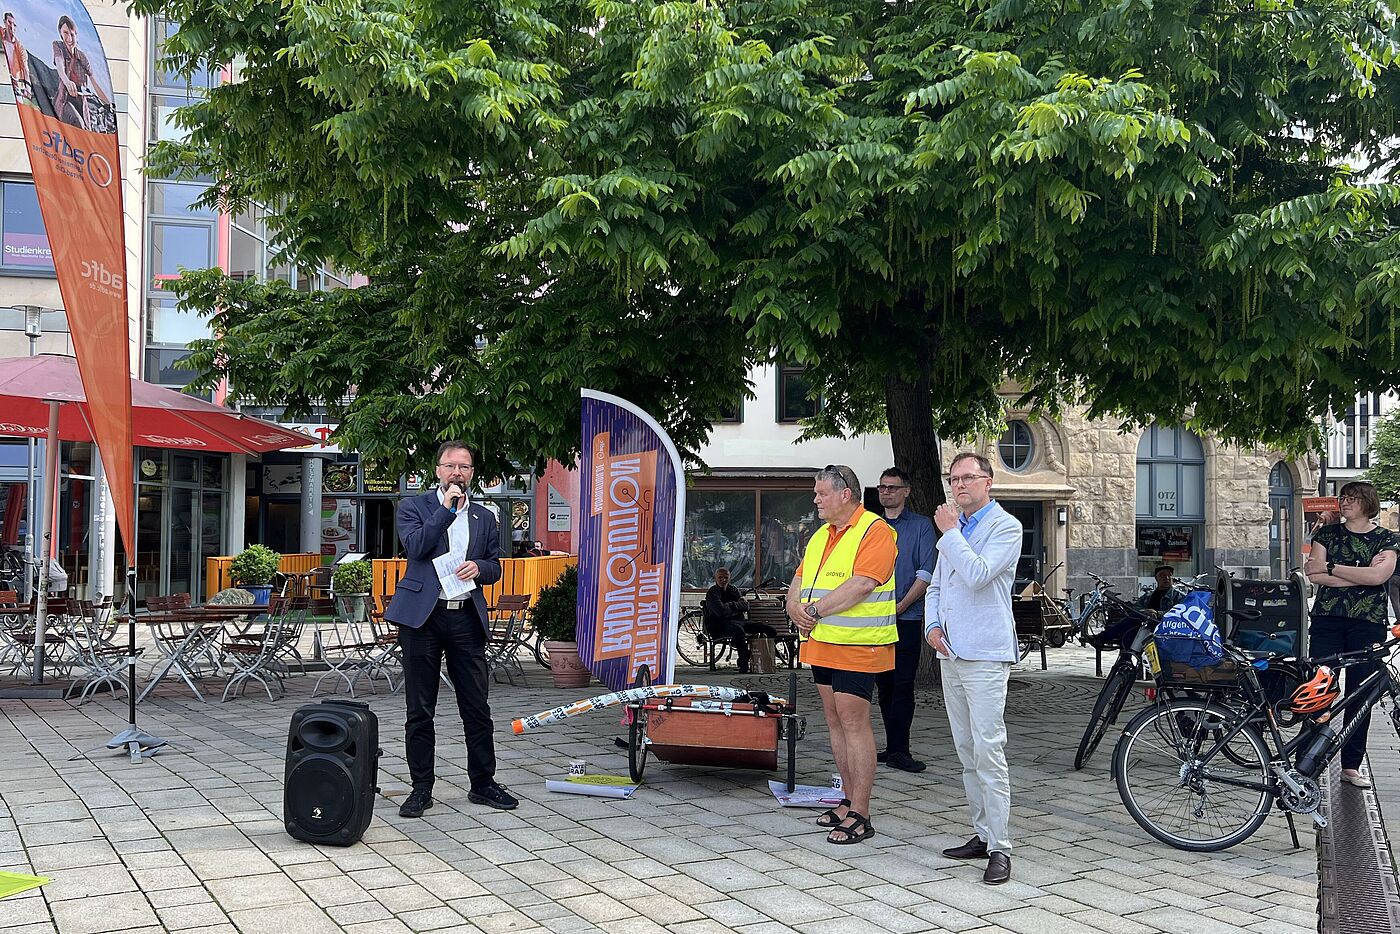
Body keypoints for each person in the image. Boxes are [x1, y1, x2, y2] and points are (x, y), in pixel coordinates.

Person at [385, 441, 518, 816]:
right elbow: (416, 547)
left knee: (476, 706)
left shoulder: (484, 517)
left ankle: (483, 784)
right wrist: (446, 510)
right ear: (438, 471)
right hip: (423, 618)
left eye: (464, 467)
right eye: (450, 466)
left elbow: (495, 565)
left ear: (472, 472)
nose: (457, 472)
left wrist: (480, 569)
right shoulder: (414, 507)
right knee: (420, 709)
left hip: (465, 617)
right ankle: (421, 789)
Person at [925, 452, 1023, 885]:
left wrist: (948, 533)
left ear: (988, 482)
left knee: (989, 749)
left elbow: (979, 574)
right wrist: (930, 626)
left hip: (985, 652)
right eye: (954, 479)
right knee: (966, 751)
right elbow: (938, 585)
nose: (959, 485)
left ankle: (1001, 846)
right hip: (952, 652)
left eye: (968, 477)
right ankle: (981, 833)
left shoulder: (1006, 527)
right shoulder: (955, 530)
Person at [786, 465, 897, 845]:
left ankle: (862, 814)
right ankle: (847, 801)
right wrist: (793, 605)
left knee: (853, 724)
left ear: (846, 493)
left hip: (857, 645)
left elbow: (863, 584)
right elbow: (799, 578)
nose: (815, 500)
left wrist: (812, 612)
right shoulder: (821, 535)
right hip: (822, 642)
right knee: (834, 722)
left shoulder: (876, 531)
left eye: (821, 493)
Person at [1303, 480, 1398, 789]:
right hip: (1327, 619)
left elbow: (1379, 576)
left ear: (1367, 503)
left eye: (1353, 498)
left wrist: (1332, 568)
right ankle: (1307, 761)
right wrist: (1358, 572)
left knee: (1361, 694)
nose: (1345, 503)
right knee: (1318, 690)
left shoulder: (1386, 538)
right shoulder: (1327, 533)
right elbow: (1312, 573)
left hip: (1367, 623)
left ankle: (1351, 765)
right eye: (1343, 498)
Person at [873, 466, 934, 773]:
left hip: (906, 617)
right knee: (883, 686)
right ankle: (892, 746)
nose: (886, 492)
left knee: (903, 685)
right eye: (883, 487)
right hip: (874, 620)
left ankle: (901, 749)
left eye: (893, 487)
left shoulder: (921, 526)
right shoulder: (870, 526)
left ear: (906, 491)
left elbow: (925, 573)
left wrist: (901, 606)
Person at [703, 567, 776, 673]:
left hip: (740, 621)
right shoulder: (712, 593)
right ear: (715, 578)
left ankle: (766, 658)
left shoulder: (733, 590)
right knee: (738, 631)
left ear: (729, 578)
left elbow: (745, 605)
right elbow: (720, 612)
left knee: (768, 629)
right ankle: (744, 661)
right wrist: (736, 607)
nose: (723, 580)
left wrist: (731, 605)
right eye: (720, 577)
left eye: (725, 577)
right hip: (720, 624)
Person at [52, 15, 108, 129]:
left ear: (76, 35)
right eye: (65, 33)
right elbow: (59, 64)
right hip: (65, 100)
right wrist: (67, 81)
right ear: (60, 33)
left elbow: (94, 82)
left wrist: (108, 103)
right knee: (78, 124)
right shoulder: (58, 46)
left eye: (72, 34)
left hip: (81, 103)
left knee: (86, 130)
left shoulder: (82, 57)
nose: (69, 38)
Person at [2, 12, 27, 87]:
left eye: (14, 25)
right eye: (9, 22)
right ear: (4, 22)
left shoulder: (20, 48)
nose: (12, 27)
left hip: (14, 84)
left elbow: (25, 68)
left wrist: (28, 87)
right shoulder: (2, 36)